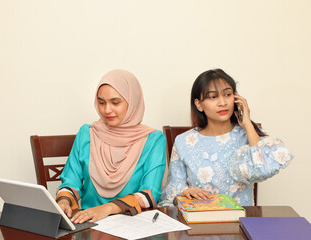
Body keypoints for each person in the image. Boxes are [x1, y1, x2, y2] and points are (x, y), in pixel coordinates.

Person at [158, 68, 293, 206]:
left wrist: (247, 123)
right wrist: (185, 193)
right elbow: (170, 194)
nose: (222, 102)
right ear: (199, 104)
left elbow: (265, 168)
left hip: (242, 222)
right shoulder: (183, 142)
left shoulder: (248, 134)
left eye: (227, 94)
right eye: (213, 97)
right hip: (199, 221)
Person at [56, 69, 166, 223]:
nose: (107, 110)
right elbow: (71, 181)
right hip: (89, 224)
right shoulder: (87, 133)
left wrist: (107, 209)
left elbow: (150, 192)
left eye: (115, 102)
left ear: (132, 101)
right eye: (101, 102)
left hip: (134, 225)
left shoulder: (153, 139)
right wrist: (64, 202)